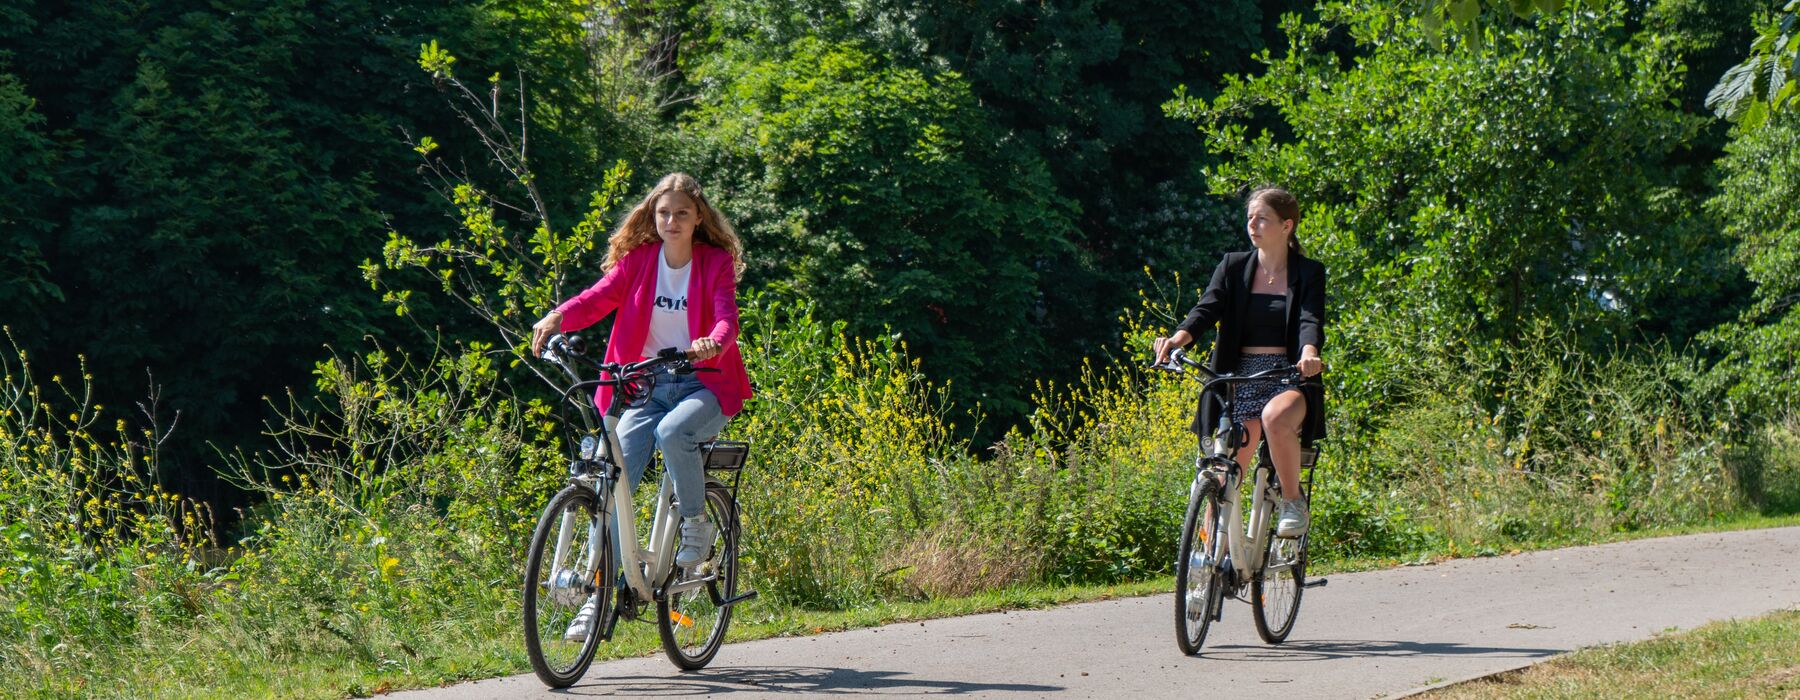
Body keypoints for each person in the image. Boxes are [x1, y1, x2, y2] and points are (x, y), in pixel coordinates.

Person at [530, 172, 753, 572]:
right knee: (613, 480)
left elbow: (726, 319)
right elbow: (596, 299)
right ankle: (600, 592)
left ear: (698, 216)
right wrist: (557, 317)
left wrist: (713, 344)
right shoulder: (638, 262)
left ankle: (695, 523)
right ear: (653, 216)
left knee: (674, 433)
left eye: (682, 213)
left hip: (703, 382)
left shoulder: (714, 262)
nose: (672, 222)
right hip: (644, 385)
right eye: (663, 213)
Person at [1154, 187, 1325, 537]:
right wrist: (1177, 339)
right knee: (1224, 469)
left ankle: (1293, 501)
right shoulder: (1233, 267)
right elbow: (1207, 309)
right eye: (1250, 217)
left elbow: (1310, 319)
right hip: (1238, 376)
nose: (1252, 224)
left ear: (1286, 225)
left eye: (1262, 218)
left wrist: (1309, 354)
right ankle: (1209, 562)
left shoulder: (1308, 273)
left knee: (1275, 419)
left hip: (1286, 374)